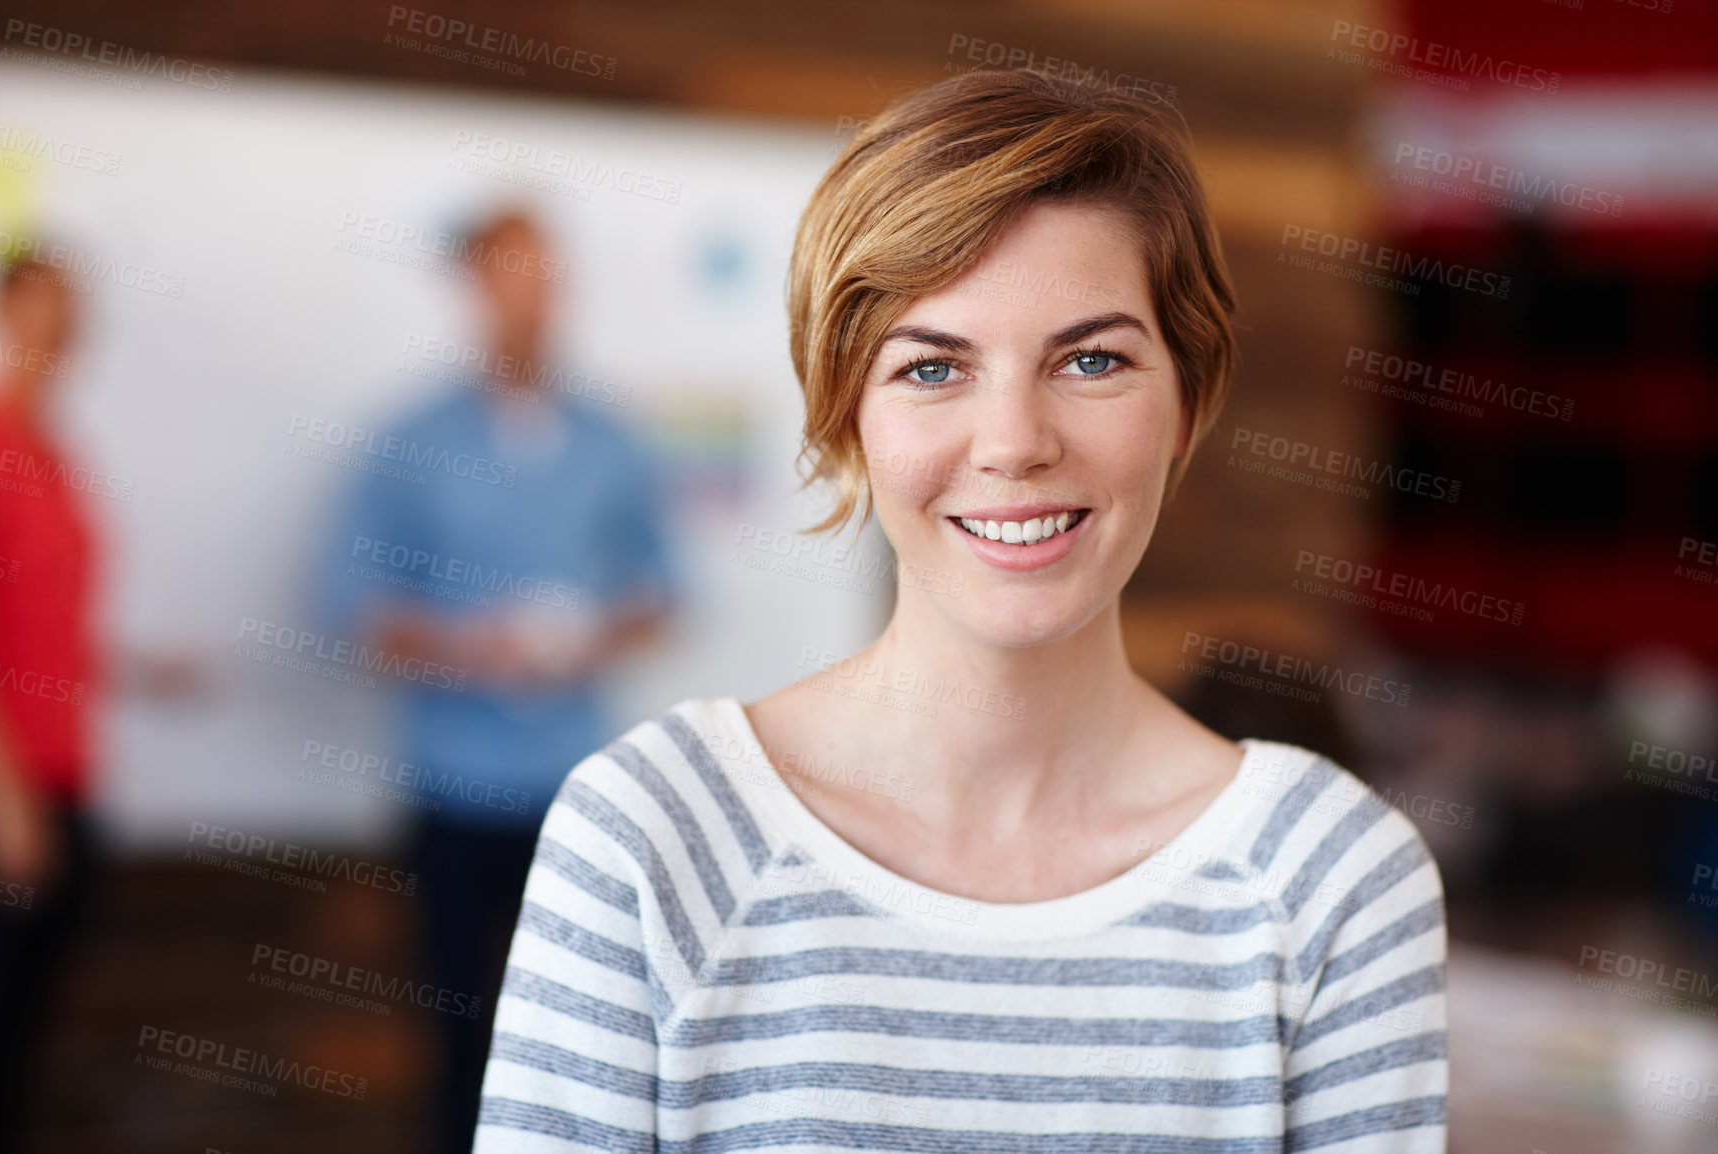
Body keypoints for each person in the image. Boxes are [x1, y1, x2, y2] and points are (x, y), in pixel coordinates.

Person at [475, 70, 1447, 1151]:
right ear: (847, 420)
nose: (1013, 441)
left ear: (1185, 401)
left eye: (1091, 359)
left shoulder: (1332, 880)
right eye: (933, 366)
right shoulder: (647, 836)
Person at [322, 208, 674, 1154]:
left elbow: (662, 590)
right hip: (452, 788)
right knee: (461, 1038)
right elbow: (358, 610)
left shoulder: (609, 436)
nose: (531, 293)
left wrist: (588, 638)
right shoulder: (410, 437)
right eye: (509, 272)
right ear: (474, 284)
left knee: (583, 1041)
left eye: (545, 272)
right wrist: (468, 646)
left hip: (577, 795)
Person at [0, 257, 100, 1148]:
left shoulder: (56, 456)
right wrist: (5, 800)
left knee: (25, 1039)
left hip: (67, 774)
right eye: (38, 310)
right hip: (5, 793)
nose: (54, 331)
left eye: (69, 313)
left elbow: (44, 616)